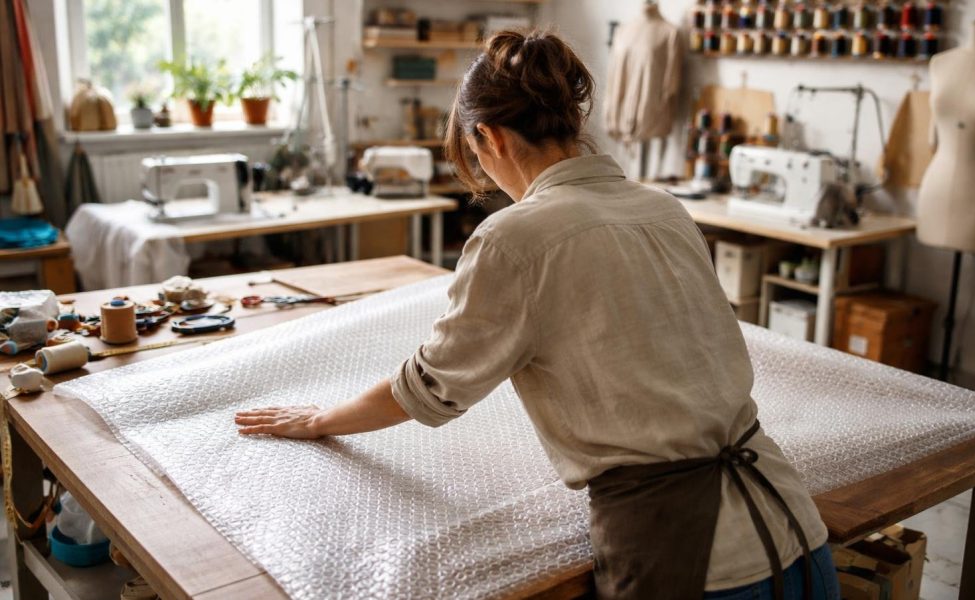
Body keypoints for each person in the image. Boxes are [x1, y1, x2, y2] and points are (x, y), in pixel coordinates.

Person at [235, 30, 840, 600]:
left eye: (475, 151)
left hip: (693, 556)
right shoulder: (665, 208)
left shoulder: (514, 239)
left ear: (491, 138)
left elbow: (432, 388)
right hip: (793, 523)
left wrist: (320, 420)